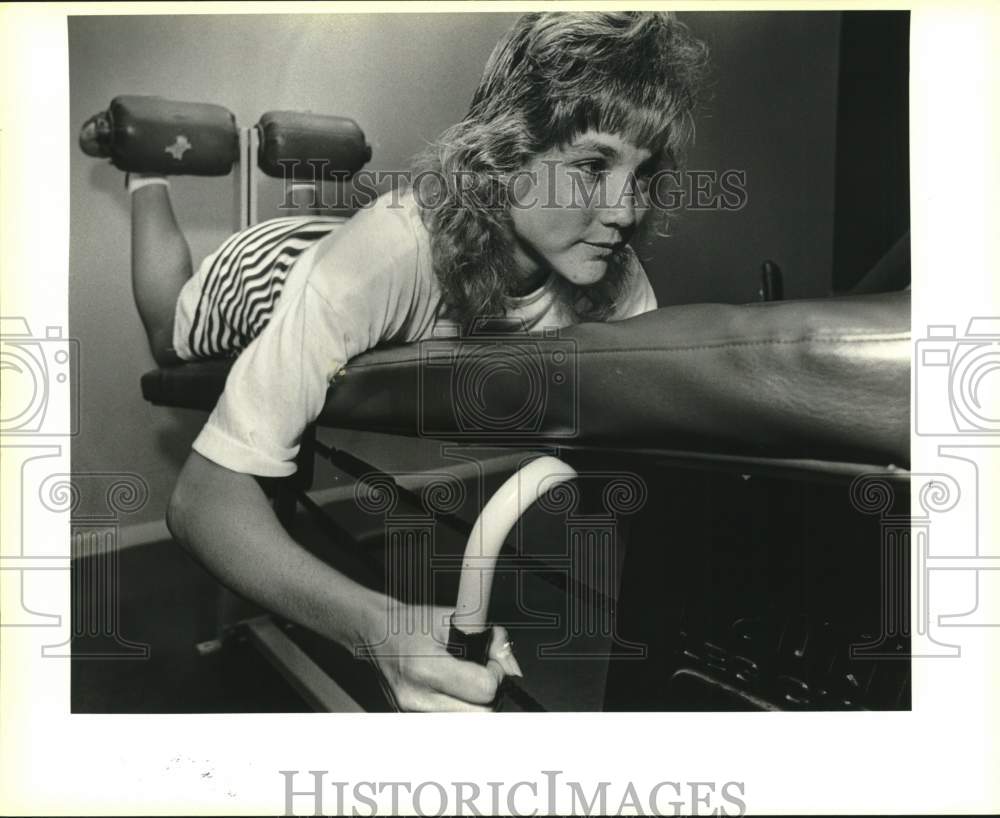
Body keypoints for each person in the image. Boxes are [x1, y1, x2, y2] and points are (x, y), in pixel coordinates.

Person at [120, 11, 707, 711]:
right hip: (269, 269)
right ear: (506, 153)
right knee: (169, 330)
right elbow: (199, 501)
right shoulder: (385, 254)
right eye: (590, 167)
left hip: (352, 260)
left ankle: (309, 195)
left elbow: (644, 443)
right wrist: (378, 629)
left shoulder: (614, 273)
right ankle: (145, 175)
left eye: (642, 175)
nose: (625, 211)